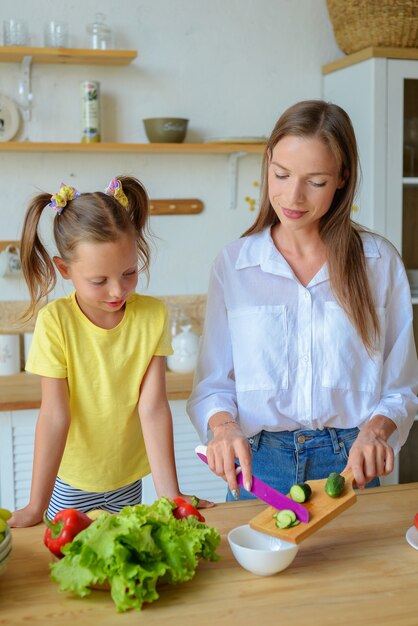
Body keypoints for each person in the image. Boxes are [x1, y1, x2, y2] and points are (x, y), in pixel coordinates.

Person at [187, 100, 418, 501]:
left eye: (316, 181)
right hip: (260, 467)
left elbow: (401, 388)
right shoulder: (235, 265)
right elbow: (212, 385)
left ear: (343, 178)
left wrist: (377, 432)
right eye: (281, 174)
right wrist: (223, 429)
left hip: (350, 467)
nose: (292, 196)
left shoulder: (378, 263)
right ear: (268, 163)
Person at [10, 175, 211, 527]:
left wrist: (171, 495)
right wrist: (34, 506)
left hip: (127, 480)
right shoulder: (56, 321)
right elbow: (55, 416)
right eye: (99, 281)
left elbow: (153, 408)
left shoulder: (151, 316)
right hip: (73, 482)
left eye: (129, 272)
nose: (118, 291)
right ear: (65, 269)